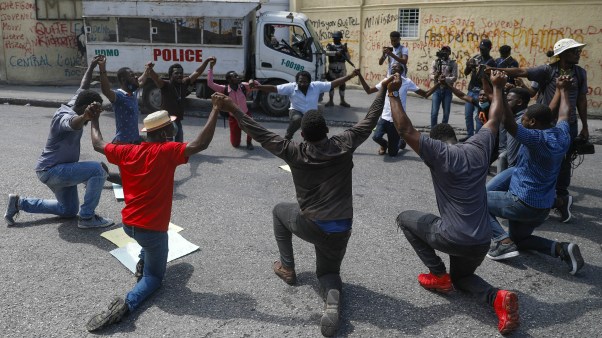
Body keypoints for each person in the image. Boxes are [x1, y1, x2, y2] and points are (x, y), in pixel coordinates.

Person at [214, 77, 390, 337]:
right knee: (329, 272)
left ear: (303, 134)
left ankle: (288, 268)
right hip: (341, 228)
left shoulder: (293, 150)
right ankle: (332, 303)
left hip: (311, 224)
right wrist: (384, 89)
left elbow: (259, 132)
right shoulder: (344, 143)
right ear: (327, 130)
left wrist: (234, 109)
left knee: (278, 211)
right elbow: (370, 119)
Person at [390, 70, 519, 335]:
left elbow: (404, 129)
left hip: (453, 237)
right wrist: (498, 88)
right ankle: (497, 297)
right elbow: (495, 118)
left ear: (434, 142)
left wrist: (392, 93)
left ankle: (437, 274)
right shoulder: (479, 146)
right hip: (482, 240)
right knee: (462, 280)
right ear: (455, 138)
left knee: (405, 218)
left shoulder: (437, 153)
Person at [85, 97, 220, 332]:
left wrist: (93, 119)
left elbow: (98, 144)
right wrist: (216, 109)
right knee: (155, 279)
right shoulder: (167, 151)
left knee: (149, 245)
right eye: (171, 126)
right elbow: (200, 144)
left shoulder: (127, 151)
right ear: (167, 131)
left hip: (128, 224)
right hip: (152, 230)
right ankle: (126, 305)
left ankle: (143, 261)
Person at [485, 76, 584, 276]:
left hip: (523, 202)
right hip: (542, 207)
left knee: (474, 199)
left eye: (525, 119)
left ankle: (502, 242)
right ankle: (561, 249)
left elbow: (507, 121)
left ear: (532, 122)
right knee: (520, 240)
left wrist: (499, 90)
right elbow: (565, 113)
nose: (522, 120)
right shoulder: (562, 134)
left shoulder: (535, 138)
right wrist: (563, 90)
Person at [4, 56, 114, 229]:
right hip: (52, 171)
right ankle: (87, 218)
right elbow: (72, 123)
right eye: (94, 111)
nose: (95, 114)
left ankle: (19, 203)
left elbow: (83, 86)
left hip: (55, 170)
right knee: (98, 170)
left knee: (68, 210)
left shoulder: (75, 102)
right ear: (85, 108)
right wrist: (86, 116)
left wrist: (93, 65)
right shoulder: (65, 117)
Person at [489, 38, 588, 223]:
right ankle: (554, 200)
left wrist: (585, 127)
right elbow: (521, 71)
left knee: (561, 164)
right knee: (534, 162)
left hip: (559, 125)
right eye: (574, 51)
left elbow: (581, 100)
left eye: (577, 50)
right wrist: (499, 70)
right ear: (563, 54)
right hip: (547, 121)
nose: (578, 53)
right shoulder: (547, 70)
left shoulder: (580, 73)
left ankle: (557, 198)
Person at [252, 70, 357, 140]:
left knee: (317, 125)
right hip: (295, 111)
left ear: (310, 82)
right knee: (298, 119)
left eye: (305, 82)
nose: (303, 84)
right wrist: (259, 87)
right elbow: (274, 88)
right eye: (300, 81)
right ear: (297, 81)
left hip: (311, 113)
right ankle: (288, 136)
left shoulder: (316, 86)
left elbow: (334, 83)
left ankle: (315, 141)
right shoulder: (291, 87)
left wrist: (350, 76)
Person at [357, 63, 436, 156]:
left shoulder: (407, 82)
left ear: (402, 71)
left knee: (392, 153)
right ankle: (385, 145)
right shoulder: (386, 81)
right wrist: (359, 75)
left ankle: (400, 143)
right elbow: (369, 90)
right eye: (392, 67)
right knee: (376, 137)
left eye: (396, 67)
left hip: (397, 120)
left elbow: (425, 94)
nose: (393, 68)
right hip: (385, 117)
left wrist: (438, 84)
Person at [146, 58, 213, 142]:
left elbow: (197, 72)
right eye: (176, 73)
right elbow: (156, 78)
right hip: (167, 122)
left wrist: (206, 61)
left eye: (181, 73)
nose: (179, 75)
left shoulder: (184, 83)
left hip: (177, 121)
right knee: (168, 146)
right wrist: (150, 69)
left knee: (179, 145)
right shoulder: (165, 85)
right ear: (170, 75)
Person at [98, 55, 149, 144]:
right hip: (123, 143)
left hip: (135, 141)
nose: (136, 77)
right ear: (123, 80)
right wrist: (102, 69)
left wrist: (147, 70)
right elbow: (106, 91)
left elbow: (140, 81)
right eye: (132, 76)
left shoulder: (133, 93)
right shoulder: (119, 96)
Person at [206, 57, 254, 150]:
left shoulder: (243, 86)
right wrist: (211, 68)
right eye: (235, 76)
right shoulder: (224, 89)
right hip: (233, 117)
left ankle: (249, 142)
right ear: (229, 80)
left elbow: (255, 85)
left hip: (245, 114)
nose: (238, 77)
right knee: (235, 144)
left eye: (237, 76)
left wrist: (252, 80)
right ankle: (237, 139)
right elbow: (210, 83)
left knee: (251, 129)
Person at [462, 38, 496, 141]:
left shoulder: (492, 62)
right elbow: (466, 73)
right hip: (472, 90)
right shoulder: (476, 58)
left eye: (484, 48)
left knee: (479, 117)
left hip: (481, 92)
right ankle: (469, 135)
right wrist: (469, 65)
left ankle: (478, 138)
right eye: (481, 48)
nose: (482, 50)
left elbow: (491, 78)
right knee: (468, 115)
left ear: (490, 48)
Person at [429, 45, 458, 128]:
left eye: (446, 51)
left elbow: (454, 77)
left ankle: (443, 130)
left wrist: (445, 79)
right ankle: (433, 130)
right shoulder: (435, 62)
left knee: (446, 113)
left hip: (447, 90)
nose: (444, 52)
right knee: (434, 112)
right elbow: (431, 75)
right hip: (437, 89)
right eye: (443, 50)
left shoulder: (453, 63)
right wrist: (436, 76)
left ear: (449, 53)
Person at [324, 31, 351, 108]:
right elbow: (326, 53)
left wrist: (345, 51)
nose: (336, 40)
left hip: (341, 67)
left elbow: (348, 58)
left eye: (338, 38)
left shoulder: (343, 47)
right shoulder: (330, 46)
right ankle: (331, 101)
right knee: (331, 84)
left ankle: (342, 101)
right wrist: (335, 53)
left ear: (340, 39)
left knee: (342, 84)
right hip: (332, 67)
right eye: (335, 38)